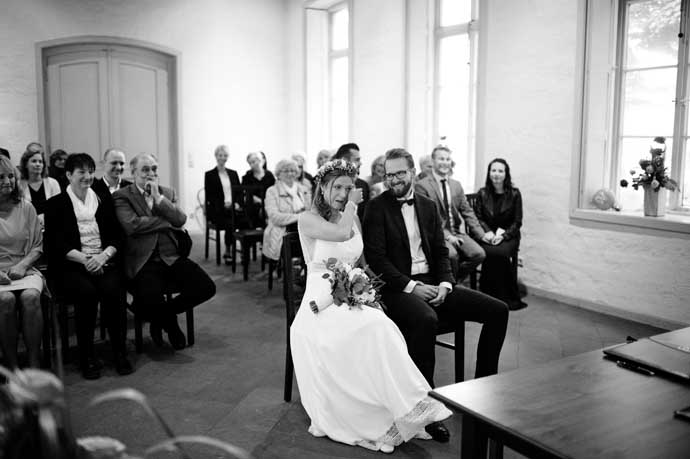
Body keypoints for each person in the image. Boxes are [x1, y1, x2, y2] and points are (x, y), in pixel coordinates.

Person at [291, 158, 452, 454]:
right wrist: (353, 205)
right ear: (322, 188)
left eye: (349, 188)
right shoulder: (308, 219)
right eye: (338, 187)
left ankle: (405, 407)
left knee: (383, 326)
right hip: (320, 300)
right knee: (373, 329)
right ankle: (373, 415)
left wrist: (369, 293)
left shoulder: (350, 218)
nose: (344, 193)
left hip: (349, 292)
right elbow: (340, 235)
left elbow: (361, 261)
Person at [363, 148, 508, 407]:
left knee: (498, 311)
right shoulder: (376, 208)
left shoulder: (428, 206)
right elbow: (377, 260)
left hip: (433, 282)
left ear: (412, 172)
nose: (393, 180)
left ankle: (483, 391)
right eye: (389, 175)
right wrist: (412, 287)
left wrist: (445, 284)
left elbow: (441, 252)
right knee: (427, 319)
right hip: (397, 288)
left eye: (399, 174)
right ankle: (425, 403)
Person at [114, 154, 216, 350]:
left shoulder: (167, 193)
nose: (151, 173)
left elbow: (180, 219)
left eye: (154, 169)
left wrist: (158, 198)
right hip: (143, 260)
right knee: (150, 294)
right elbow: (132, 225)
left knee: (206, 287)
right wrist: (165, 221)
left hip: (171, 256)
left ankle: (163, 317)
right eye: (145, 169)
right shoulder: (122, 195)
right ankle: (171, 326)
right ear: (133, 172)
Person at [45, 153, 133, 379]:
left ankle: (119, 352)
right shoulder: (55, 204)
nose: (87, 176)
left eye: (91, 171)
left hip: (103, 260)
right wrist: (86, 259)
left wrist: (103, 256)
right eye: (81, 172)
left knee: (114, 290)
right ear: (68, 175)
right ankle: (87, 356)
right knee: (87, 293)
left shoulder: (103, 199)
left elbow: (117, 236)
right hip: (72, 265)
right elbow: (55, 244)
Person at [415, 145, 486, 279]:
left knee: (479, 254)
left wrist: (482, 235)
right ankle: (449, 283)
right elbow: (427, 219)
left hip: (456, 232)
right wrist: (448, 237)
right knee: (452, 255)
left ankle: (453, 281)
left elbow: (467, 211)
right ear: (433, 161)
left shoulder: (456, 185)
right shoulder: (422, 186)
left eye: (448, 159)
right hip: (436, 234)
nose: (445, 162)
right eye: (441, 159)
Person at [0, 155, 44, 369]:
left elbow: (37, 246)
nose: (7, 181)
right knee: (5, 300)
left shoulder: (26, 207)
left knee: (30, 297)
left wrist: (22, 265)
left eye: (10, 176)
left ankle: (34, 363)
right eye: (0, 177)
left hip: (25, 268)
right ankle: (13, 366)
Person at [473, 158, 526, 311]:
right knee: (489, 252)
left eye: (500, 171)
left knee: (500, 253)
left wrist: (503, 236)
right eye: (493, 170)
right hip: (487, 235)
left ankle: (505, 297)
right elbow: (479, 218)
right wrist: (488, 233)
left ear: (506, 174)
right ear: (489, 173)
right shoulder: (482, 193)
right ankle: (487, 296)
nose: (496, 174)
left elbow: (517, 222)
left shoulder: (515, 194)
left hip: (509, 236)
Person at [262, 159, 311, 262]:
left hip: (303, 229)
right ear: (278, 174)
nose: (290, 173)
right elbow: (274, 217)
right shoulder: (272, 191)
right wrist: (299, 217)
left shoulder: (304, 189)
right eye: (286, 171)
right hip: (282, 231)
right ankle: (293, 268)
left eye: (292, 171)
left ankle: (306, 268)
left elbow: (311, 212)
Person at [204, 145, 240, 263]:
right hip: (218, 209)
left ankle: (243, 250)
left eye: (225, 155)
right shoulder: (209, 174)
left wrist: (236, 203)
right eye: (220, 155)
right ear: (216, 156)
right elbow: (210, 196)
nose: (222, 158)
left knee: (244, 219)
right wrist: (224, 204)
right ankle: (228, 250)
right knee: (231, 222)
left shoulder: (233, 173)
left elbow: (239, 192)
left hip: (233, 208)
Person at [19, 145, 61, 222]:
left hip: (51, 223)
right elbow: (19, 212)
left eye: (40, 162)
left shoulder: (53, 183)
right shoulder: (19, 185)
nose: (38, 164)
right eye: (34, 161)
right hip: (28, 224)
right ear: (26, 164)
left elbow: (58, 208)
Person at [332, 143, 369, 221]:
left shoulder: (363, 185)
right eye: (357, 160)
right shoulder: (329, 185)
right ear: (344, 160)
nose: (360, 163)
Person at [241, 151, 275, 227]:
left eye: (254, 161)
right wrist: (261, 201)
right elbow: (246, 194)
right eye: (250, 163)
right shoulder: (247, 176)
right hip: (254, 205)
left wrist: (267, 202)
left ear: (261, 161)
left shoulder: (269, 175)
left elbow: (274, 191)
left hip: (269, 203)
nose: (252, 165)